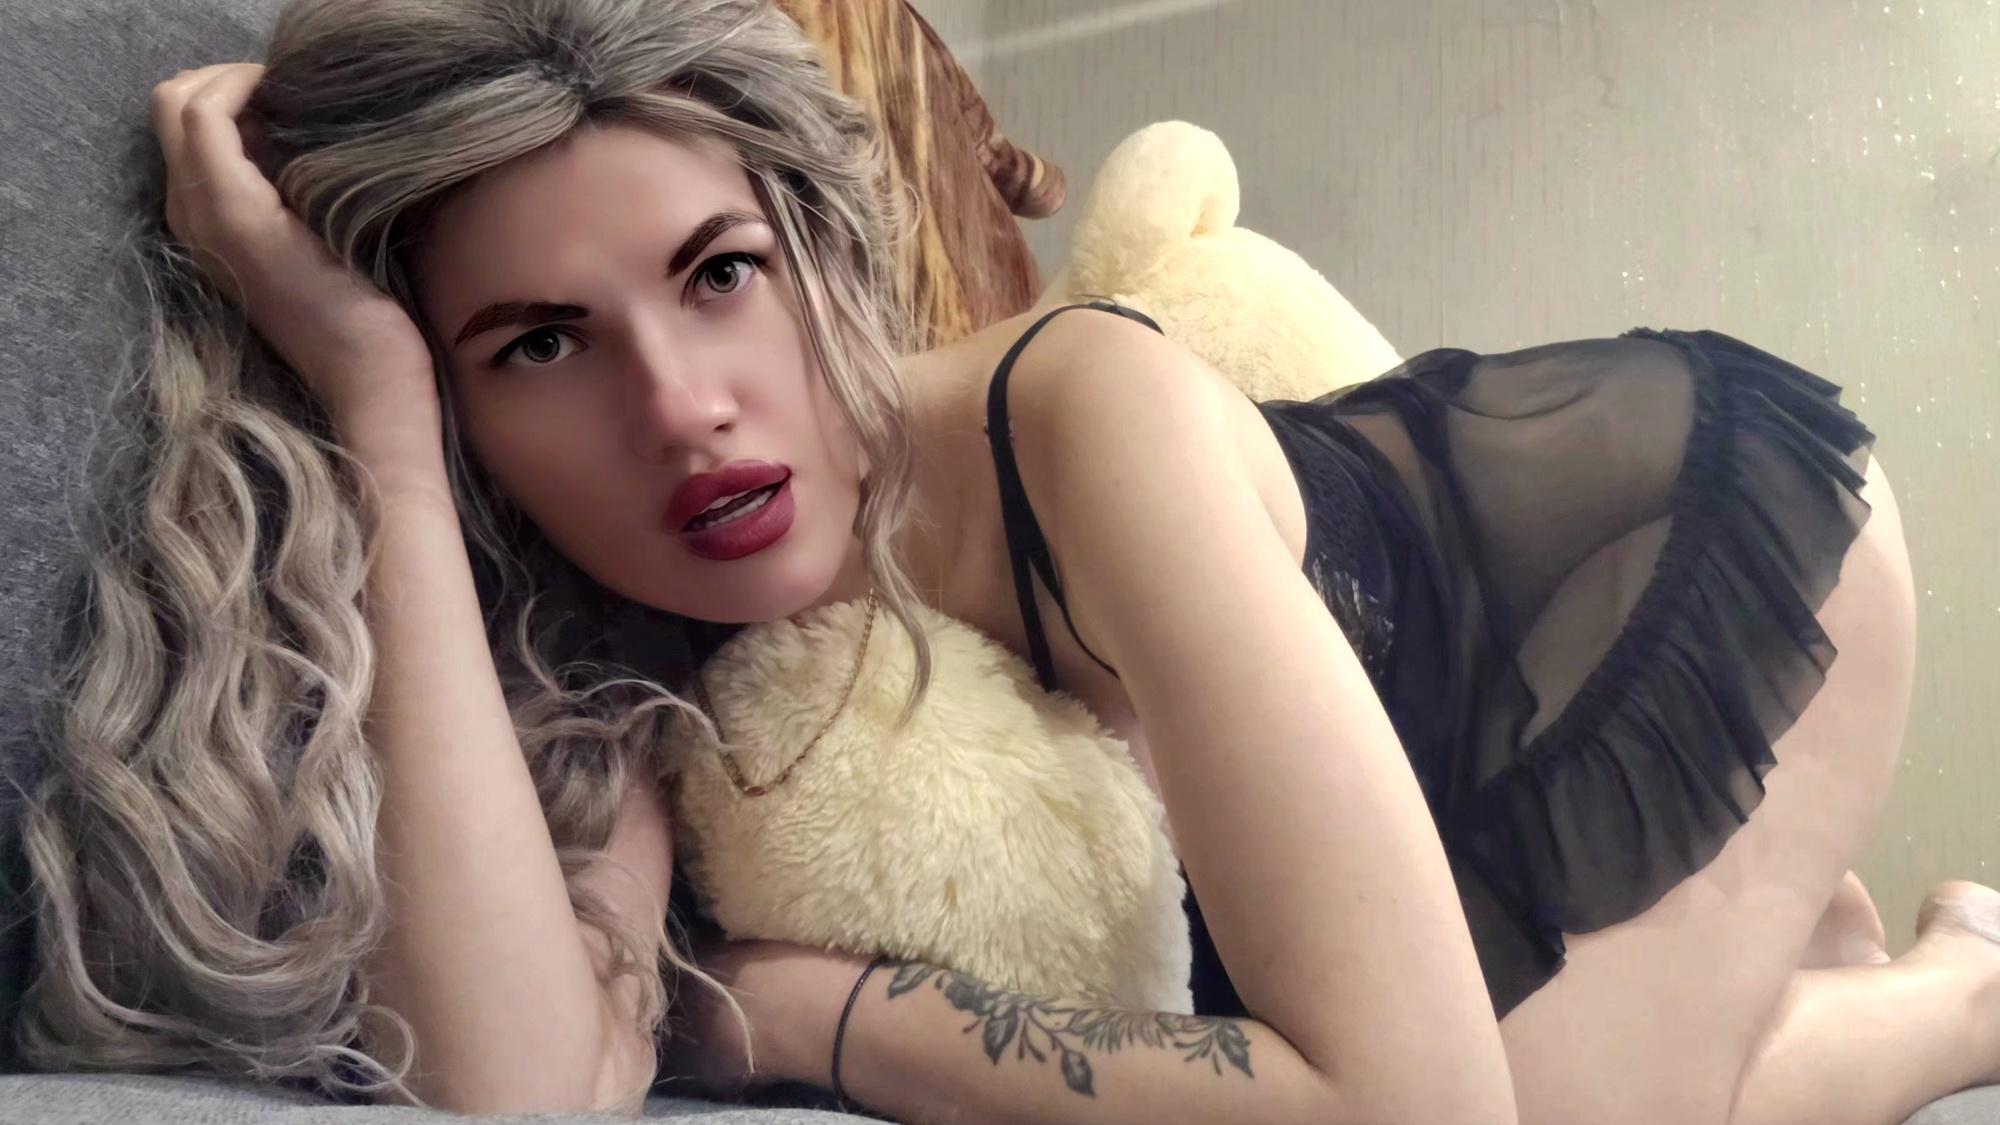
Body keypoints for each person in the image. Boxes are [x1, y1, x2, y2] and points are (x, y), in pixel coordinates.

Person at [17, 0, 1994, 1121]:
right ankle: (1776, 949)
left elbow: (1418, 1115)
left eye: (720, 273)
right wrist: (376, 403)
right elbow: (526, 1086)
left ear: (816, 249)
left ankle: (1962, 986)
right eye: (537, 345)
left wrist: (818, 1011)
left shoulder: (1080, 407)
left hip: (1660, 549)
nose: (684, 410)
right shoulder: (611, 607)